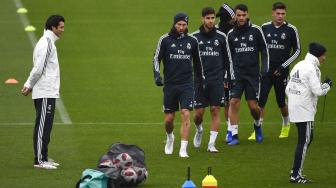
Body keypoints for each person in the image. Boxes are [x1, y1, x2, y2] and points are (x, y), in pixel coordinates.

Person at [153, 12, 204, 158]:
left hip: (187, 84)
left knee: (186, 113)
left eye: (184, 25)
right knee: (169, 119)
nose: (181, 27)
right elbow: (156, 59)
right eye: (179, 24)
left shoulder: (192, 41)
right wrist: (157, 75)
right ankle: (170, 137)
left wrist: (201, 80)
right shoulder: (165, 40)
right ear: (174, 24)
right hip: (170, 84)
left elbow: (198, 63)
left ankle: (183, 148)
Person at [249, 2, 300, 140]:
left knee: (281, 101)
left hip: (281, 72)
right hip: (266, 71)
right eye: (278, 13)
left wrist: (283, 66)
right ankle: (258, 129)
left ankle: (286, 123)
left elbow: (297, 51)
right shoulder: (264, 28)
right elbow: (257, 47)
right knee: (261, 101)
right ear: (272, 13)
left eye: (283, 14)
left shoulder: (291, 29)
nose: (280, 16)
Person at [21, 15, 65, 169]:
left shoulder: (49, 42)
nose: (62, 30)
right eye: (61, 27)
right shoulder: (46, 44)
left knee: (46, 126)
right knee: (42, 126)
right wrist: (29, 84)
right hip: (45, 91)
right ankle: (39, 160)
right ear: (53, 27)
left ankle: (44, 157)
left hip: (49, 91)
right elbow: (39, 68)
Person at [286, 43, 332, 183]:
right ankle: (295, 175)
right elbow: (318, 91)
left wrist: (294, 100)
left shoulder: (299, 65)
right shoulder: (312, 69)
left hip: (295, 107)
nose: (324, 58)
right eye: (323, 55)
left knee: (306, 138)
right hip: (304, 110)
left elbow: (288, 88)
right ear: (318, 55)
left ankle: (295, 170)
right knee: (304, 140)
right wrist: (327, 85)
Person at [226, 4, 269, 145]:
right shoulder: (231, 34)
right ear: (235, 16)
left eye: (244, 15)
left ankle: (257, 125)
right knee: (233, 102)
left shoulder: (256, 30)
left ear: (247, 15)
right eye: (239, 15)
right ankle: (234, 135)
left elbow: (264, 49)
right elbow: (228, 57)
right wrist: (228, 75)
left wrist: (265, 67)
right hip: (237, 74)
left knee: (253, 107)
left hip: (253, 75)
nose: (241, 18)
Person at [192, 7, 230, 152]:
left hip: (217, 79)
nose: (210, 21)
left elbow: (227, 59)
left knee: (215, 110)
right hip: (199, 81)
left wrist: (228, 77)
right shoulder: (194, 37)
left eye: (212, 18)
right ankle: (199, 129)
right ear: (202, 19)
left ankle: (211, 144)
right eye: (207, 18)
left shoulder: (221, 37)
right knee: (198, 114)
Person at [216, 3, 236, 143]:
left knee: (233, 100)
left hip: (236, 70)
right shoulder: (218, 31)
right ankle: (229, 129)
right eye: (233, 17)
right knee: (227, 100)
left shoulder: (236, 29)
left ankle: (231, 129)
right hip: (221, 71)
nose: (235, 19)